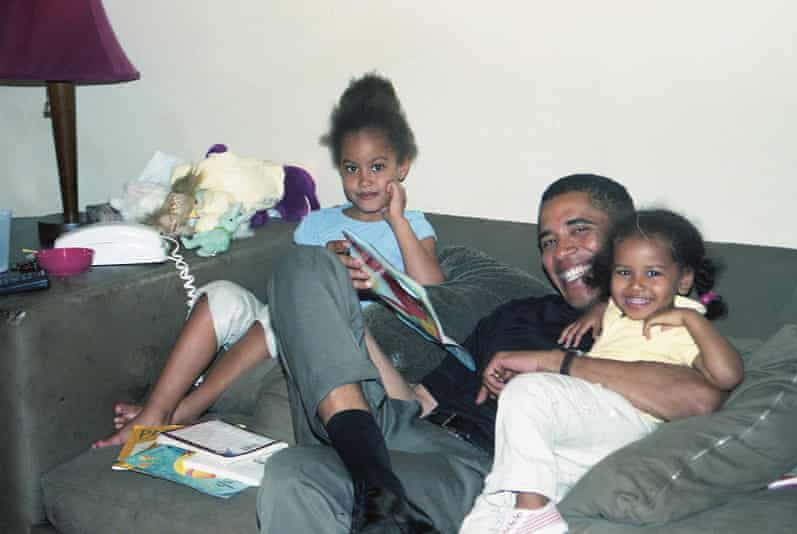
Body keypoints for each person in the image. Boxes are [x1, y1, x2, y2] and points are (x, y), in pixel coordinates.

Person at [257, 175, 732, 533]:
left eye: (579, 231)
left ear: (627, 239)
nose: (562, 252)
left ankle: (374, 484)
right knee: (307, 265)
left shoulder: (651, 321)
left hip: (474, 467)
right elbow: (421, 400)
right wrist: (355, 324)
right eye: (548, 241)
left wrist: (555, 363)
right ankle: (373, 479)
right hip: (403, 432)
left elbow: (698, 399)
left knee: (292, 474)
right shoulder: (516, 313)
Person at [91, 72, 444, 449]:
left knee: (287, 313)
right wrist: (324, 264)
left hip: (350, 345)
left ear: (401, 168)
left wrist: (397, 221)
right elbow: (291, 286)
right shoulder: (318, 223)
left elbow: (435, 291)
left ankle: (181, 411)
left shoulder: (411, 224)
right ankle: (156, 410)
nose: (364, 180)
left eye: (378, 167)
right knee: (222, 295)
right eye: (351, 168)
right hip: (282, 332)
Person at [460, 209, 744, 533]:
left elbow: (728, 376)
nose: (636, 285)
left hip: (631, 416)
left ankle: (533, 510)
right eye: (624, 272)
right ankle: (527, 517)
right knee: (497, 497)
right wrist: (597, 311)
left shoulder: (685, 321)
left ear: (684, 280)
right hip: (594, 429)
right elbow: (612, 305)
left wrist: (693, 321)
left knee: (528, 390)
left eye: (652, 274)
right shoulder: (613, 312)